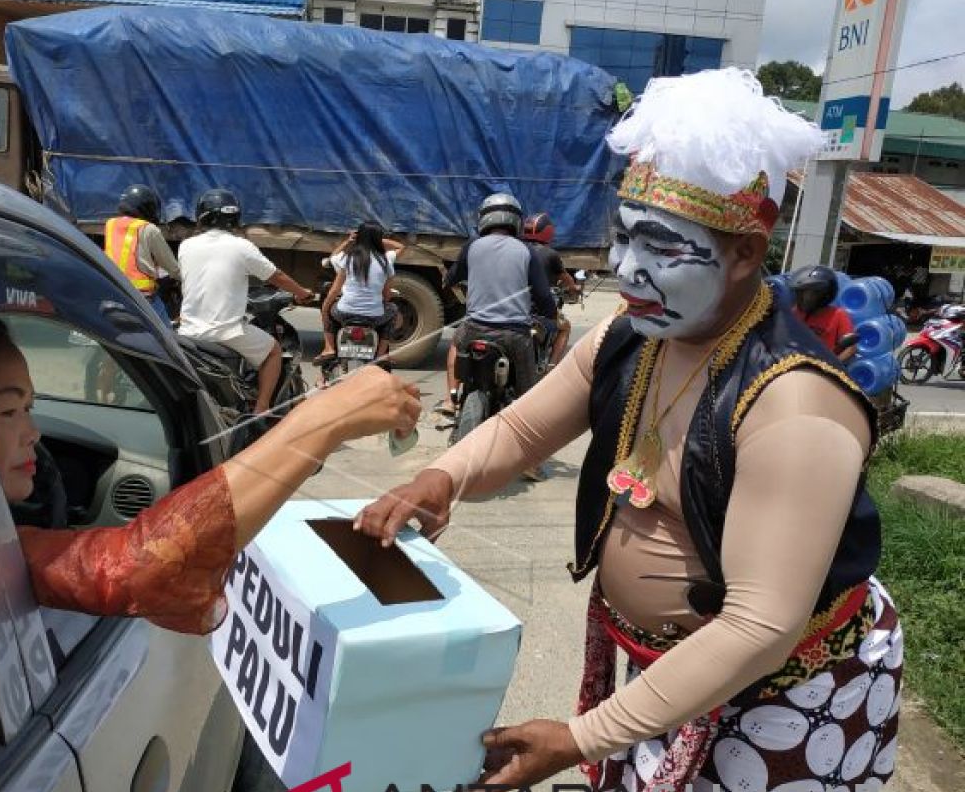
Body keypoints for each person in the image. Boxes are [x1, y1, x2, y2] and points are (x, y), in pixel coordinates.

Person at [356, 69, 901, 792]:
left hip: (786, 703)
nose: (625, 269)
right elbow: (520, 429)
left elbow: (759, 629)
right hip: (664, 679)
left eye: (663, 248)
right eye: (621, 239)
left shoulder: (795, 406)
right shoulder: (629, 336)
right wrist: (443, 477)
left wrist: (581, 738)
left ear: (746, 250)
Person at [0, 316, 420, 641]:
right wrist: (322, 420)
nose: (35, 433)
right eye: (9, 410)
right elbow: (134, 569)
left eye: (30, 407)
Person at [178, 189, 314, 415]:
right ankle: (262, 409)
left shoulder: (186, 246)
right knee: (274, 352)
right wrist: (301, 292)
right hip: (227, 332)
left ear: (202, 215)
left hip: (188, 332)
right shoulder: (241, 246)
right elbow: (275, 275)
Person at [435, 193, 556, 416]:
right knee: (527, 401)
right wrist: (550, 315)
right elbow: (543, 296)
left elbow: (452, 278)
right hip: (514, 335)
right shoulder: (526, 250)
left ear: (484, 218)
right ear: (516, 221)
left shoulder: (472, 246)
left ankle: (451, 398)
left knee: (455, 345)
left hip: (473, 329)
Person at [315, 221, 405, 365]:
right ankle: (381, 355)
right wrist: (374, 238)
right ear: (378, 238)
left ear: (359, 237)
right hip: (374, 317)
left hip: (344, 313)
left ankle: (329, 348)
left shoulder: (347, 258)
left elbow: (334, 288)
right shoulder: (386, 260)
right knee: (393, 310)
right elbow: (400, 247)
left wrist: (325, 310)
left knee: (329, 307)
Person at [104, 184, 180, 326]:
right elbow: (173, 268)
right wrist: (186, 279)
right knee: (167, 335)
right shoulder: (149, 229)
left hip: (113, 291)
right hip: (142, 298)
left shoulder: (110, 224)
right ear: (148, 208)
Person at [523, 212, 579, 368]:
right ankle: (552, 365)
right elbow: (566, 278)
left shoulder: (517, 249)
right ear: (548, 232)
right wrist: (574, 288)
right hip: (538, 313)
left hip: (515, 310)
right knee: (565, 327)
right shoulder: (551, 254)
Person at [790, 265, 858, 361]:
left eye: (806, 293)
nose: (801, 298)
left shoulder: (838, 315)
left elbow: (851, 348)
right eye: (799, 293)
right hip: (795, 364)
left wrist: (833, 365)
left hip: (822, 368)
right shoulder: (794, 312)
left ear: (824, 294)